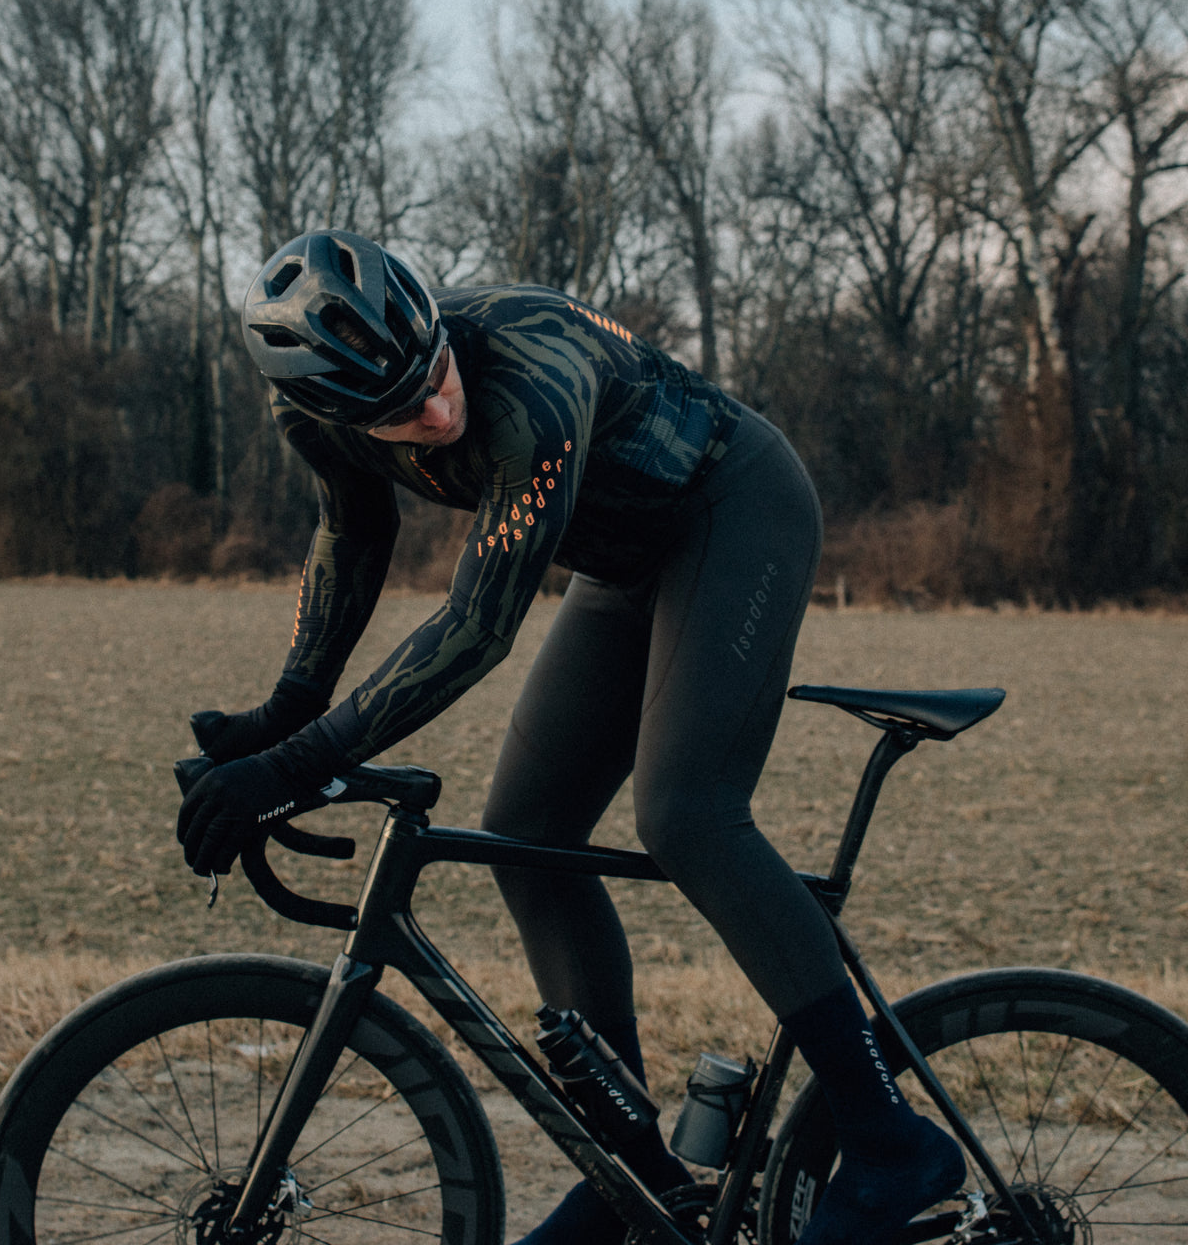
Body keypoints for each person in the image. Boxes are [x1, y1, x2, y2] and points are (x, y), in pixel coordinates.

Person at [177, 229, 964, 1245]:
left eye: (436, 372)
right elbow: (353, 535)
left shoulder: (528, 382)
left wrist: (291, 764)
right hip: (620, 559)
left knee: (688, 816)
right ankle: (628, 1174)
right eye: (401, 412)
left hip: (733, 509)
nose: (436, 409)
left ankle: (891, 1142)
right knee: (527, 831)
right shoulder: (315, 414)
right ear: (334, 414)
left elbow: (475, 628)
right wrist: (284, 708)